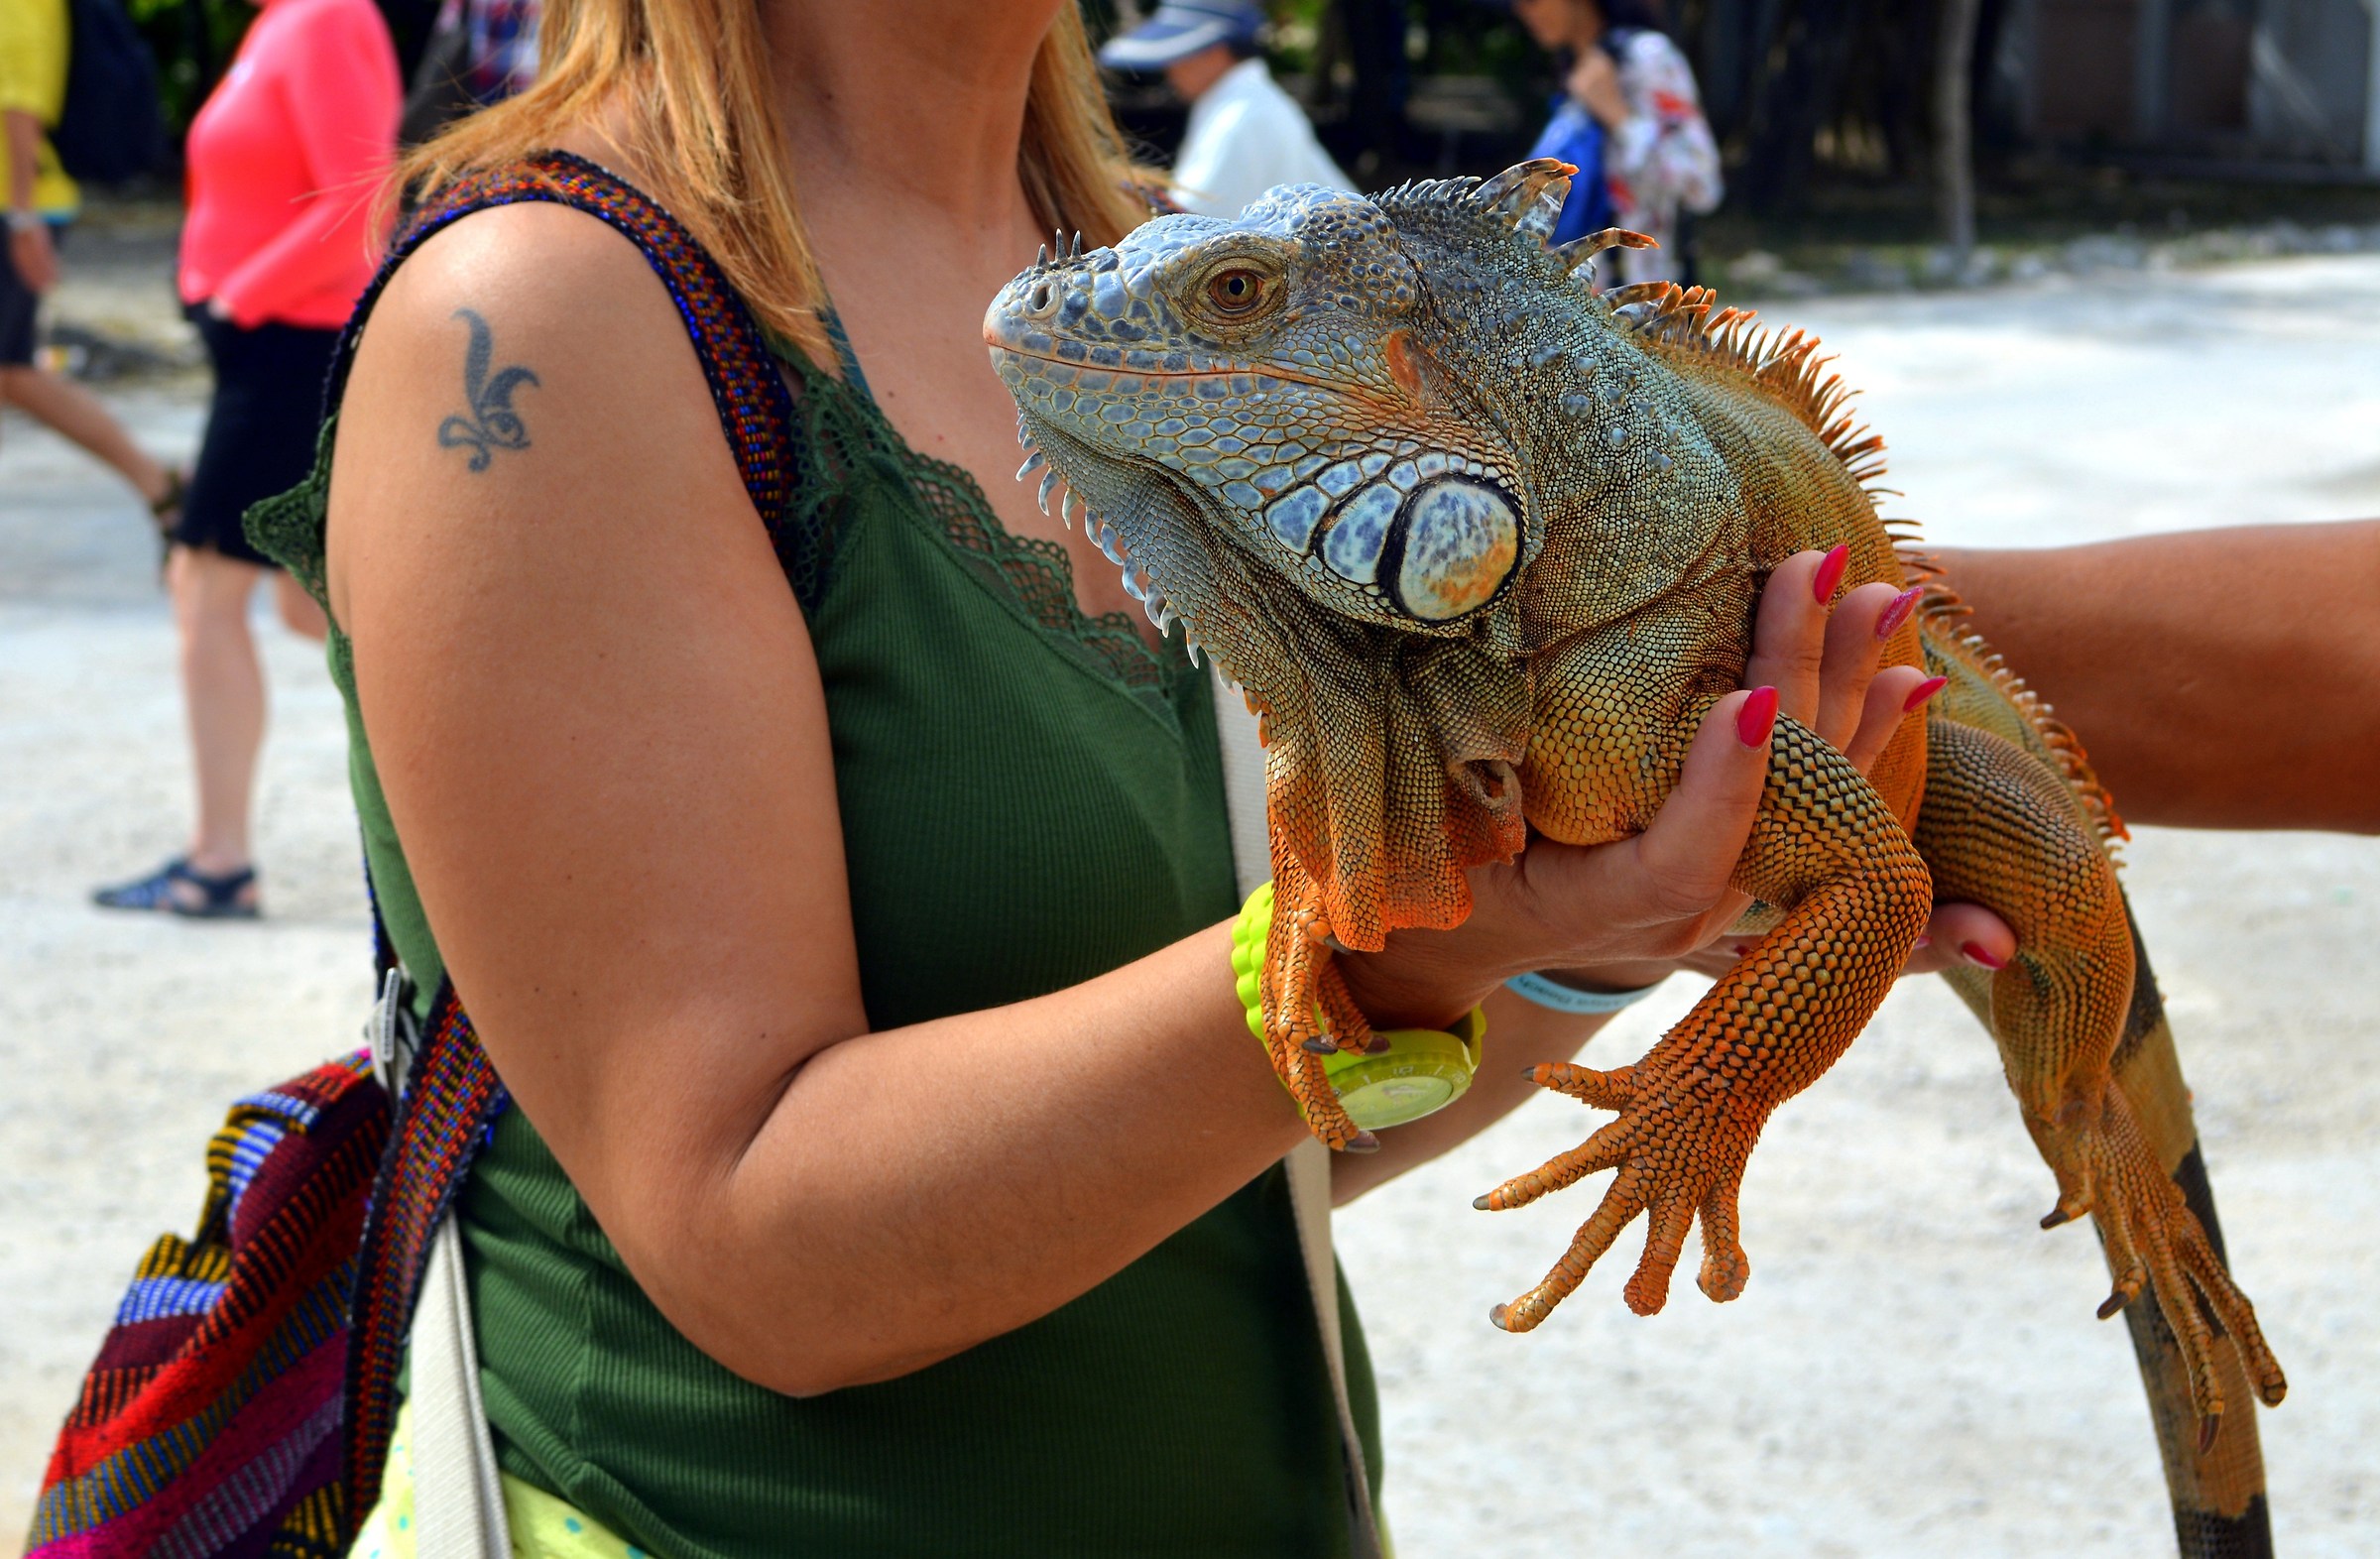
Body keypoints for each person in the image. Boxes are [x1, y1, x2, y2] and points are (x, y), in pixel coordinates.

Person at [248, 3, 2001, 1552]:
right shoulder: (543, 320)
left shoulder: (1170, 278)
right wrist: (1385, 960)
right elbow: (755, 1250)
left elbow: (1253, 1146)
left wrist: (1595, 925)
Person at [91, 0, 399, 917]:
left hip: (288, 347)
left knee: (204, 585)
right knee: (315, 609)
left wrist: (238, 297)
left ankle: (218, 862)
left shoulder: (328, 16)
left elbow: (360, 197)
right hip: (261, 344)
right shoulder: (280, 19)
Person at [0, 0, 182, 530]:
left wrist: (21, 215)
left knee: (12, 370)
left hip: (17, 202)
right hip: (20, 203)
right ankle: (158, 484)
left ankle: (159, 484)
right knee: (12, 372)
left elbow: (21, 99)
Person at [1510, 0, 1720, 284]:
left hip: (1649, 307)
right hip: (1585, 310)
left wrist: (1620, 118)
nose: (1523, 10)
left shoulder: (1648, 57)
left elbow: (1702, 186)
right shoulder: (1576, 69)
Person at [1100, 0, 1353, 218]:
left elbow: (1188, 231)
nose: (1171, 68)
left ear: (1214, 50)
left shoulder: (1242, 117)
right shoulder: (1242, 102)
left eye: (1182, 52)